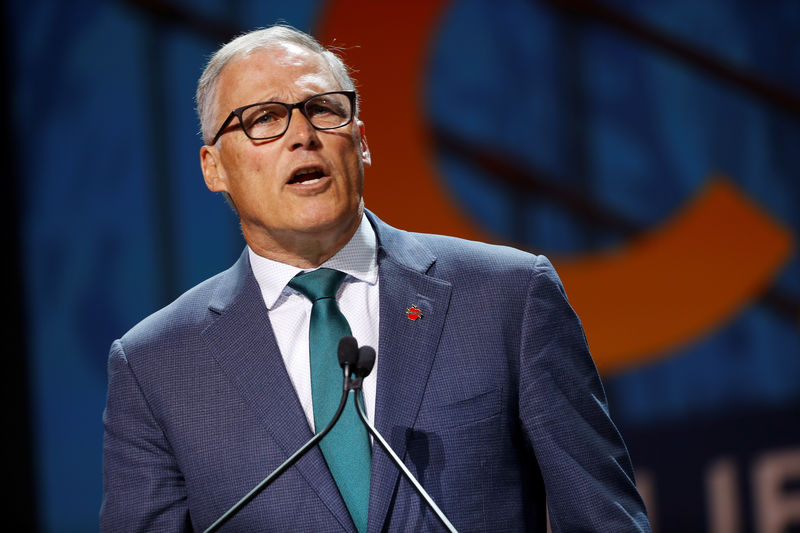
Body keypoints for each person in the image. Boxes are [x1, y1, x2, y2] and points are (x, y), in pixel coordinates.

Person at [100, 24, 650, 532]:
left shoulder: (506, 297)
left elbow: (604, 519)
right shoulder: (156, 366)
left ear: (360, 140)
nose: (302, 134)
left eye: (322, 108)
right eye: (264, 118)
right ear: (213, 167)